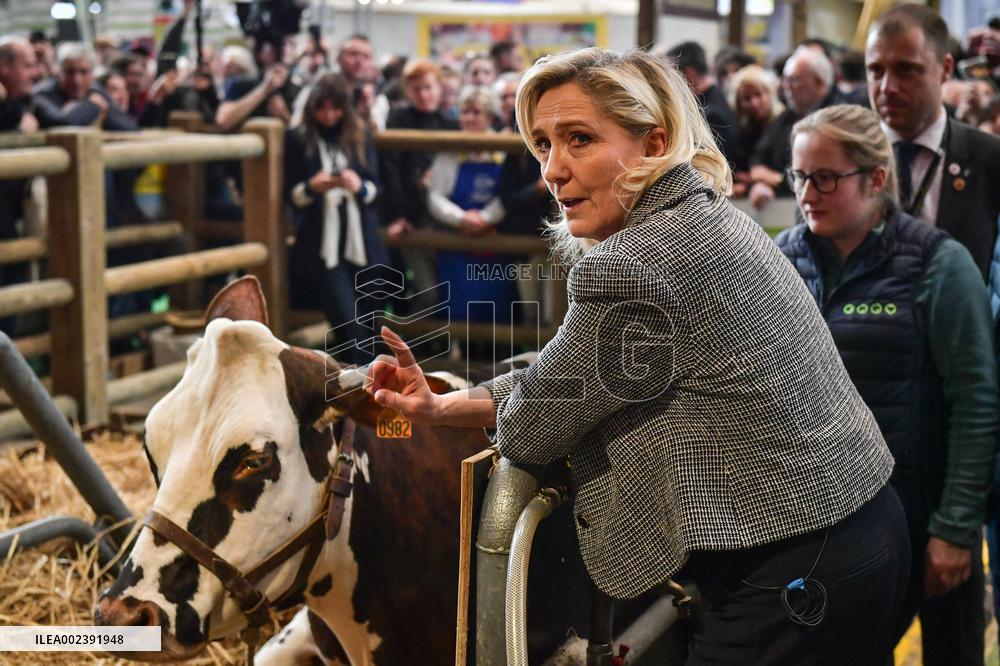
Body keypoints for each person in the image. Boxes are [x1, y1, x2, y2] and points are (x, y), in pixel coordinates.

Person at [364, 47, 910, 664]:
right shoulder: (703, 218)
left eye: (579, 139)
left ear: (654, 144)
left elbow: (535, 427)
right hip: (857, 531)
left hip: (789, 572)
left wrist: (449, 407)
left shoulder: (633, 265)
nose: (552, 169)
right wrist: (443, 401)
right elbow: (569, 376)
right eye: (542, 143)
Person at [775, 104, 998, 666]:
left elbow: (976, 402)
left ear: (876, 179)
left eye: (825, 177)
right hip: (827, 530)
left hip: (924, 519)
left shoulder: (937, 266)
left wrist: (955, 528)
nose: (807, 193)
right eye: (799, 176)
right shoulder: (781, 261)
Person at [866, 3, 1000, 280]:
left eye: (906, 70)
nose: (886, 87)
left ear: (945, 68)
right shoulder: (840, 158)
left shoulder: (989, 158)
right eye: (876, 70)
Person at [284, 74, 386, 364]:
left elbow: (376, 192)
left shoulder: (360, 135)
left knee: (370, 321)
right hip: (321, 247)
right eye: (322, 108)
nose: (329, 115)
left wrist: (358, 186)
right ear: (312, 108)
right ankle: (367, 389)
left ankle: (364, 390)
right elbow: (290, 195)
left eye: (335, 108)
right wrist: (311, 187)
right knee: (349, 323)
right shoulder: (298, 138)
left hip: (363, 243)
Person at [749, 45, 842, 210]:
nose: (786, 87)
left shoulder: (841, 118)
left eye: (794, 80)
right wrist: (760, 183)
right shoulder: (786, 117)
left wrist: (777, 181)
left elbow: (825, 177)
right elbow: (757, 159)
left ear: (819, 81)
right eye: (784, 80)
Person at [667, 41, 741, 170]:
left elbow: (709, 166)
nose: (669, 83)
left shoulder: (711, 113)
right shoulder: (712, 98)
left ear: (688, 74)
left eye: (672, 74)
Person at [727, 64, 784, 194]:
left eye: (759, 94)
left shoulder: (785, 123)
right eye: (746, 98)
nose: (754, 103)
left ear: (770, 93)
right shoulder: (743, 130)